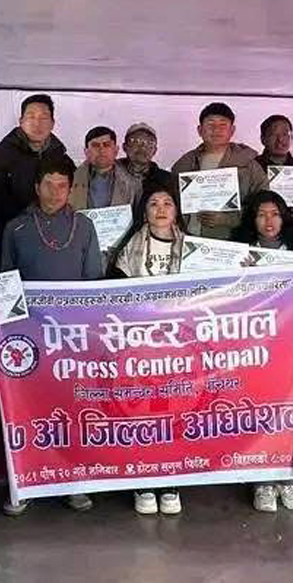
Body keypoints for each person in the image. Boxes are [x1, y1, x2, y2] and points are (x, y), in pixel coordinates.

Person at [0, 159, 100, 515]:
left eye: (62, 185)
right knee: (26, 411)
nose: (55, 193)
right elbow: (6, 283)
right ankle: (24, 482)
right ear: (36, 187)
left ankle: (72, 482)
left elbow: (93, 282)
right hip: (27, 339)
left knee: (72, 409)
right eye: (48, 184)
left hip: (72, 338)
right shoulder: (16, 228)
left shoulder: (84, 226)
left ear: (71, 188)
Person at [230, 189, 293, 513]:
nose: (269, 220)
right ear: (252, 219)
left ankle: (286, 479)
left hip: (291, 346)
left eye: (275, 214)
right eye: (262, 214)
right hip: (252, 347)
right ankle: (262, 481)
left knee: (289, 410)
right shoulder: (237, 251)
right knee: (258, 410)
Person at [105, 181, 187, 514]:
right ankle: (143, 482)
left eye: (168, 203)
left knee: (175, 412)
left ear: (177, 211)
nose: (161, 209)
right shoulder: (128, 250)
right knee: (141, 413)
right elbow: (117, 298)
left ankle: (171, 481)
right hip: (138, 346)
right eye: (154, 203)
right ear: (144, 212)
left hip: (180, 346)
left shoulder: (195, 249)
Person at [171, 102, 268, 239]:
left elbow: (265, 205)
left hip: (231, 241)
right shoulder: (184, 164)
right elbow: (170, 202)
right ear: (199, 130)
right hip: (189, 239)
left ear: (232, 130)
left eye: (223, 125)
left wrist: (230, 219)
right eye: (210, 124)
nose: (216, 130)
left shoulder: (250, 166)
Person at [0, 93, 74, 229]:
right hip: (12, 231)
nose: (37, 123)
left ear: (52, 123)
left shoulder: (62, 159)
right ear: (21, 121)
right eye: (31, 117)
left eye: (44, 118)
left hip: (56, 231)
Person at [69, 126, 142, 210]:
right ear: (86, 152)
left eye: (106, 145)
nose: (101, 150)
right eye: (95, 145)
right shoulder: (70, 180)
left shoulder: (133, 183)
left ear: (116, 150)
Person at [117, 122, 171, 190]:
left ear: (155, 151)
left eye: (149, 142)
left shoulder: (167, 180)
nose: (142, 147)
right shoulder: (112, 173)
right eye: (136, 141)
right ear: (125, 147)